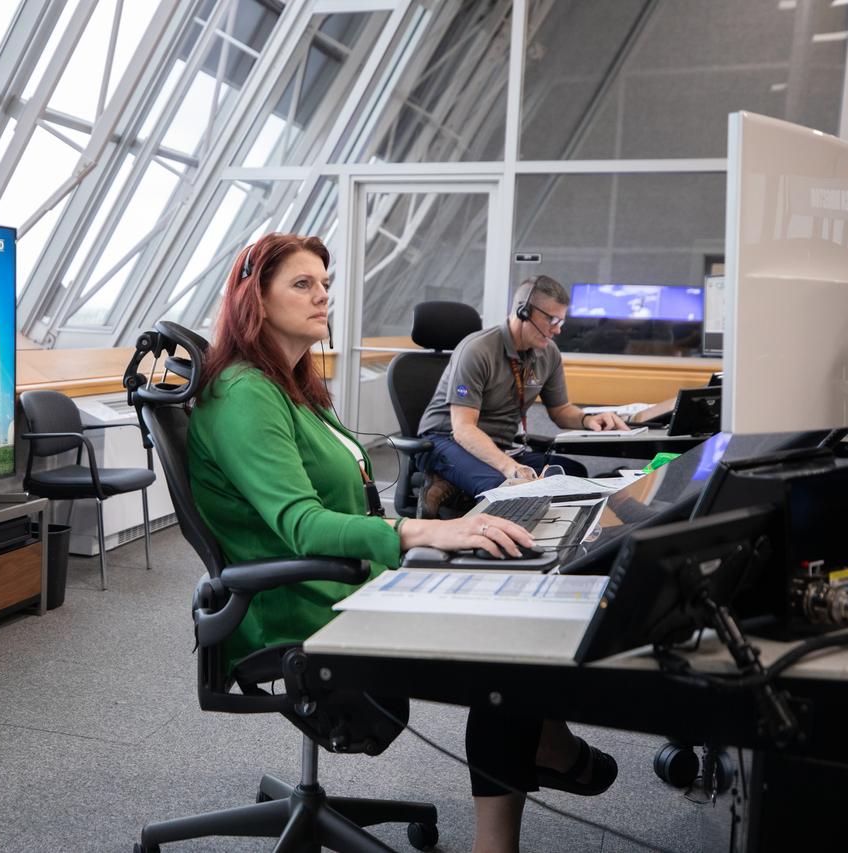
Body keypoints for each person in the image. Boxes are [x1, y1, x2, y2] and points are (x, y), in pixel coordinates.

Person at [187, 233, 616, 853]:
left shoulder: (291, 386)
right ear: (254, 297)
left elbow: (342, 501)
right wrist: (425, 529)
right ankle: (526, 786)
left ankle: (547, 742)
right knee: (507, 651)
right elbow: (303, 524)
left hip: (348, 576)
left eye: (325, 284)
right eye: (302, 285)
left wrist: (432, 541)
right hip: (299, 602)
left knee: (509, 598)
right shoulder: (244, 394)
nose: (322, 296)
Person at [415, 275, 629, 517]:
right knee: (506, 489)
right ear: (524, 311)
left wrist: (588, 419)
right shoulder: (477, 350)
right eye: (552, 320)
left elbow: (561, 410)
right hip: (445, 440)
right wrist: (511, 468)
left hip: (498, 446)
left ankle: (456, 485)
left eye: (561, 321)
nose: (558, 329)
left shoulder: (547, 353)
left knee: (573, 473)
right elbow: (463, 429)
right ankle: (449, 486)